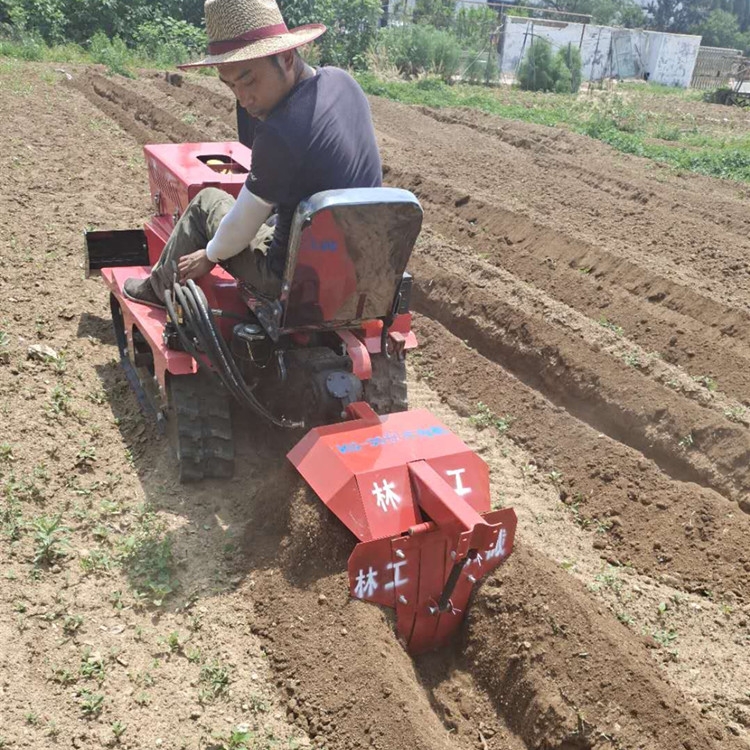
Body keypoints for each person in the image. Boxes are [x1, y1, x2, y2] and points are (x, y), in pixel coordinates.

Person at [124, 0, 382, 307]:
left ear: (286, 57)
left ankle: (159, 287)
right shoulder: (343, 81)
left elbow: (241, 227)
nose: (243, 98)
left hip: (291, 277)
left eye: (248, 80)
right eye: (231, 85)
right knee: (273, 215)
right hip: (360, 262)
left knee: (208, 202)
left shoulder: (281, 130)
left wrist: (209, 255)